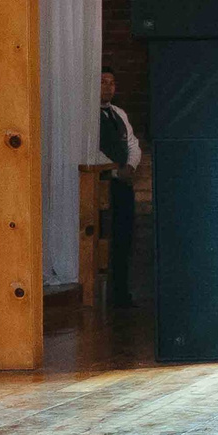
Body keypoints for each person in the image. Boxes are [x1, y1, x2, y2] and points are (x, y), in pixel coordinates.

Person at [97, 69, 143, 308]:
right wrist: (115, 170)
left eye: (112, 83)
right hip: (100, 184)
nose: (108, 87)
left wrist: (131, 166)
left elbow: (133, 144)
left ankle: (121, 291)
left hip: (123, 182)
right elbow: (90, 149)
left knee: (124, 237)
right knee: (103, 236)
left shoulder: (119, 114)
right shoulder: (88, 116)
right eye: (103, 82)